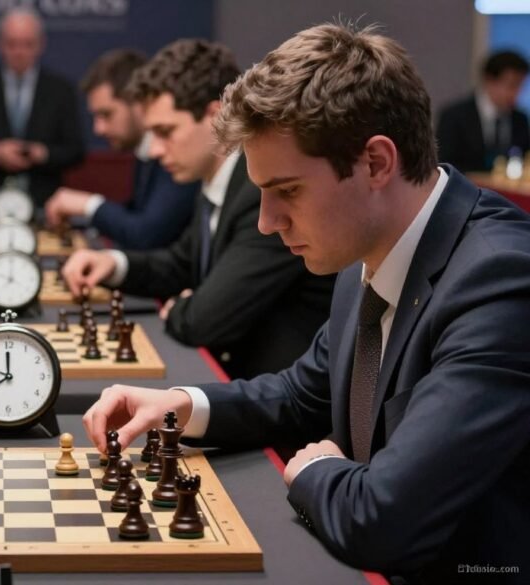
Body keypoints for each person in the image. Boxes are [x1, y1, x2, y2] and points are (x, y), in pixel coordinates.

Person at [84, 24, 530, 585]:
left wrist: (316, 469)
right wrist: (178, 404)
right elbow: (301, 394)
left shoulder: (499, 278)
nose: (267, 222)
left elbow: (383, 519)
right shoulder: (365, 246)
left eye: (287, 191)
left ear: (376, 163)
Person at [62, 40, 334, 380]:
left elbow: (203, 321)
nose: (155, 150)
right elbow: (181, 263)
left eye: (166, 132)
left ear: (215, 115)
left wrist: (180, 308)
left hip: (278, 396)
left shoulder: (260, 194)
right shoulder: (213, 183)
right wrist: (114, 264)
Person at [44, 49, 196, 250]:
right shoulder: (142, 149)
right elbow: (136, 212)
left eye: (106, 114)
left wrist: (88, 205)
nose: (98, 129)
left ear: (138, 103)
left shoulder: (175, 151)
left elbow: (146, 234)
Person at [0, 7, 85, 206]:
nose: (19, 52)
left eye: (27, 44)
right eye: (12, 44)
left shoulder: (61, 90)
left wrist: (43, 154)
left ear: (41, 44)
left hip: (45, 203)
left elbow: (76, 150)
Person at [437, 50, 530, 173]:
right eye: (511, 85)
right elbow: (443, 165)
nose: (516, 93)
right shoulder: (454, 116)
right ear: (489, 80)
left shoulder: (520, 119)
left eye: (520, 86)